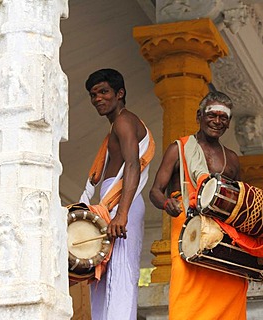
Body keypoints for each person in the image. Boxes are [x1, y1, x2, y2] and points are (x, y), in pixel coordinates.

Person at [149, 91, 248, 320]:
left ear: (229, 123)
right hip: (188, 233)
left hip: (222, 236)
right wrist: (166, 203)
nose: (217, 121)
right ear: (199, 116)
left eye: (223, 118)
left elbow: (241, 200)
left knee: (229, 294)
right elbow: (155, 191)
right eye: (212, 115)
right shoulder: (179, 149)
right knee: (188, 303)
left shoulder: (232, 159)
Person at [78, 68, 154, 320]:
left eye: (103, 92)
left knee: (121, 276)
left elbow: (132, 164)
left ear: (119, 93)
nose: (97, 98)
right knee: (102, 275)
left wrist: (121, 214)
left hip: (124, 206)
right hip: (114, 205)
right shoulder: (116, 126)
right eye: (93, 94)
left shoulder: (124, 120)